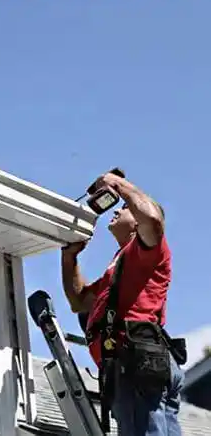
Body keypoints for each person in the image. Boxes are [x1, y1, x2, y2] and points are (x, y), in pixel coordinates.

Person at [61, 171, 185, 436]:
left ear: (137, 224)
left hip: (136, 362)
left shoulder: (150, 249)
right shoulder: (117, 266)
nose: (115, 211)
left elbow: (152, 218)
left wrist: (115, 183)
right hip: (139, 364)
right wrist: (69, 257)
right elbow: (79, 301)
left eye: (125, 207)